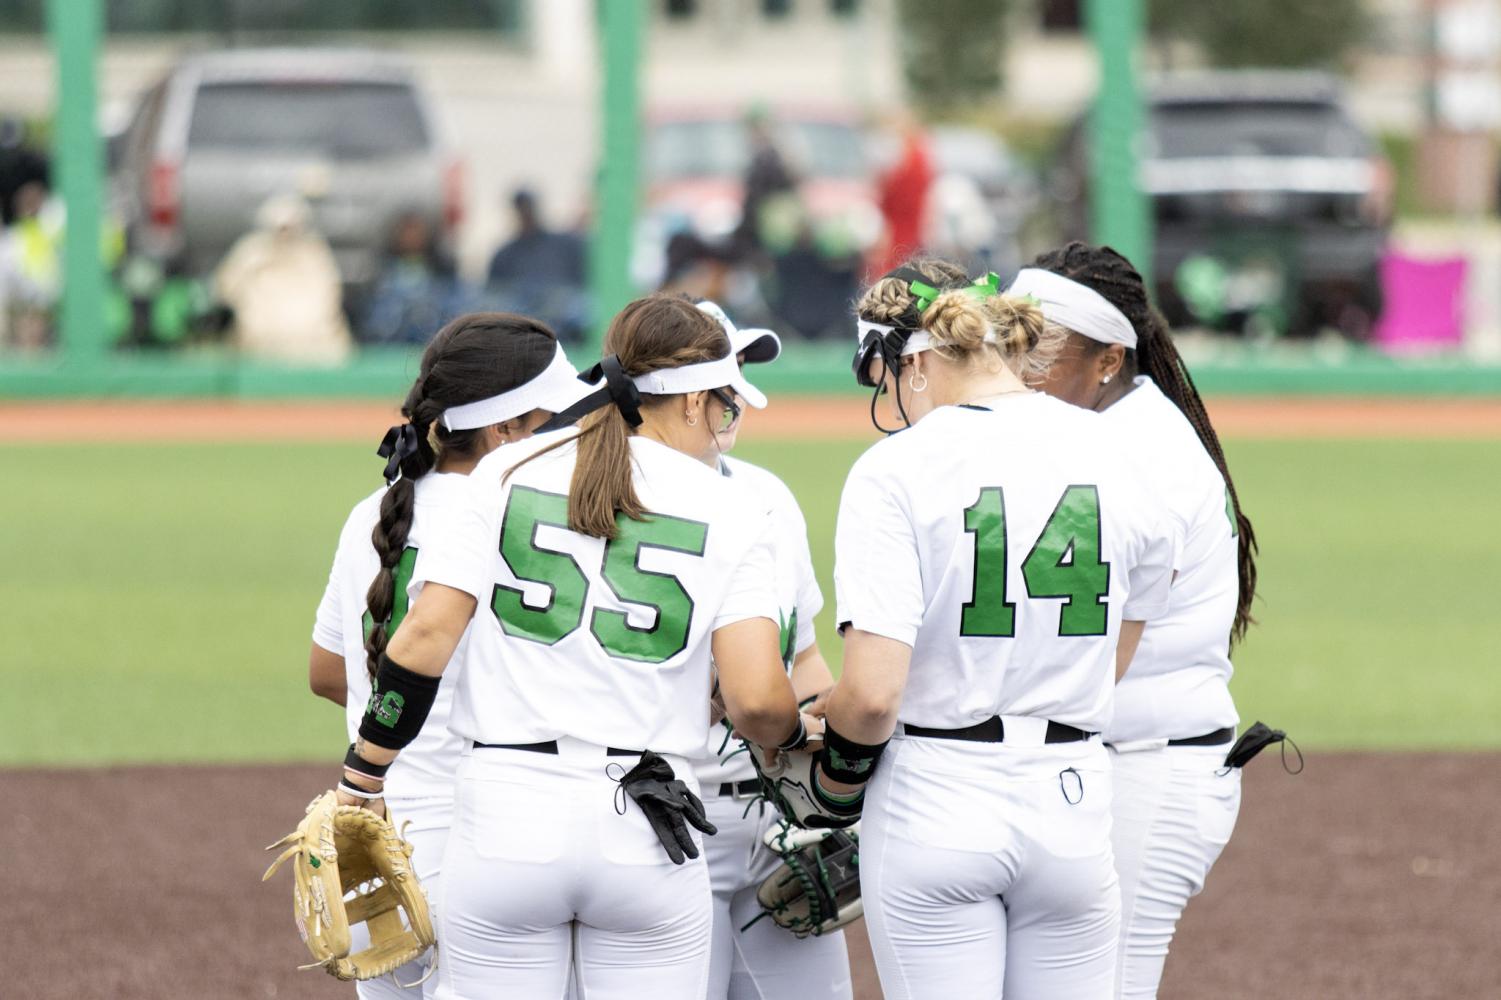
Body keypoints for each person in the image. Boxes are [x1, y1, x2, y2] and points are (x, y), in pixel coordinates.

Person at [334, 293, 830, 999]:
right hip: (648, 826)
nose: (724, 423)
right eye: (723, 404)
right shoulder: (734, 506)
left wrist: (362, 777)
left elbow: (422, 640)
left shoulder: (507, 471)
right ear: (690, 403)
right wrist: (795, 735)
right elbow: (754, 700)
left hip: (505, 815)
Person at [814, 259, 1177, 998]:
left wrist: (834, 780)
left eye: (879, 374)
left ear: (912, 359)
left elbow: (875, 694)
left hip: (936, 792)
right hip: (1072, 794)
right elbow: (1117, 650)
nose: (884, 394)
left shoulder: (896, 468)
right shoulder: (1128, 455)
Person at [308, 311, 588, 998]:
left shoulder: (372, 513)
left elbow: (326, 673)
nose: (571, 434)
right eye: (553, 419)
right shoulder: (523, 522)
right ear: (502, 433)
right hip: (486, 840)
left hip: (375, 836)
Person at [1023, 241, 1258, 1000]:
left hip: (1152, 768)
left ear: (1107, 360)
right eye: (1014, 338)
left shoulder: (1138, 450)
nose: (1021, 364)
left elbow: (1093, 651)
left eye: (1040, 344)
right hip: (1124, 756)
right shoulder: (1108, 433)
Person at [689, 300, 850, 1000]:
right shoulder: (612, 500)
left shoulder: (766, 496)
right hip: (666, 820)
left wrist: (834, 775)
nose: (736, 395)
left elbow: (803, 656)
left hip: (772, 821)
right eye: (727, 376)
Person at [214, 193, 352, 363]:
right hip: (260, 343)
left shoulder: (313, 253)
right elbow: (225, 287)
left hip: (311, 344)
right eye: (282, 227)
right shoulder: (252, 252)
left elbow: (329, 294)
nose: (285, 233)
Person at [486, 187, 589, 343]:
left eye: (528, 208)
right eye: (522, 209)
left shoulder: (565, 245)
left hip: (566, 328)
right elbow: (494, 294)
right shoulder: (505, 255)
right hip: (523, 332)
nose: (526, 214)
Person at [362, 210, 465, 345]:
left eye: (416, 232)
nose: (411, 238)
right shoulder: (381, 271)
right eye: (407, 232)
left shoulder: (443, 269)